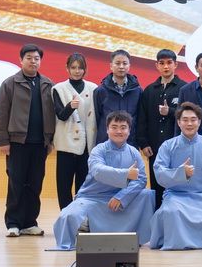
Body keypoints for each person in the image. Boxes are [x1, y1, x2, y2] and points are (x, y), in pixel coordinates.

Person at [53, 111, 155, 250]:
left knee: (146, 195)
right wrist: (126, 174)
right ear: (107, 129)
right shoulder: (98, 150)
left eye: (123, 127)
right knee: (67, 216)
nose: (119, 131)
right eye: (114, 127)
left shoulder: (134, 153)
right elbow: (98, 170)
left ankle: (133, 237)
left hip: (121, 199)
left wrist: (121, 197)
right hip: (92, 197)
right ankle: (86, 225)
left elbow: (141, 179)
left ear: (129, 130)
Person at [149, 103, 202, 249]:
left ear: (199, 122)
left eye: (193, 120)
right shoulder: (167, 146)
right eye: (185, 120)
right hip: (176, 196)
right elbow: (159, 173)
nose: (189, 123)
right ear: (178, 122)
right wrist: (180, 173)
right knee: (170, 213)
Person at [0, 43, 55, 237]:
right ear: (21, 60)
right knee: (16, 183)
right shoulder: (10, 83)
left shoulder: (47, 84)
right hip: (17, 143)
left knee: (35, 184)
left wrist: (50, 140)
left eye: (37, 58)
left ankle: (30, 222)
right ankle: (13, 223)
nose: (33, 61)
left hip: (40, 144)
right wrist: (3, 140)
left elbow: (52, 115)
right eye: (29, 58)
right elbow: (1, 113)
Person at [136, 48, 186, 208]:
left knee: (177, 186)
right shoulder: (149, 90)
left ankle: (176, 216)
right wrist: (143, 143)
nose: (166, 66)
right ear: (156, 65)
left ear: (175, 64)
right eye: (162, 63)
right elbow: (142, 119)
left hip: (178, 147)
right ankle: (158, 216)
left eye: (169, 63)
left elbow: (190, 116)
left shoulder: (184, 88)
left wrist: (170, 111)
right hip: (154, 147)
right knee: (156, 185)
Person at [51, 52, 95, 210]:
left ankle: (81, 217)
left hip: (87, 146)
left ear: (85, 69)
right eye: (73, 67)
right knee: (64, 186)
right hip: (66, 145)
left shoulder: (93, 88)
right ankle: (66, 216)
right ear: (67, 68)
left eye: (80, 68)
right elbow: (61, 115)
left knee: (83, 187)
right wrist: (70, 106)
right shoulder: (58, 89)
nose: (77, 71)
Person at [93, 50, 142, 145]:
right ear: (111, 66)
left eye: (124, 63)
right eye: (118, 63)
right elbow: (97, 118)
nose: (121, 67)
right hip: (106, 143)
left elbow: (140, 118)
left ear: (129, 66)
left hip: (130, 143)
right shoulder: (100, 91)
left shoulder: (138, 91)